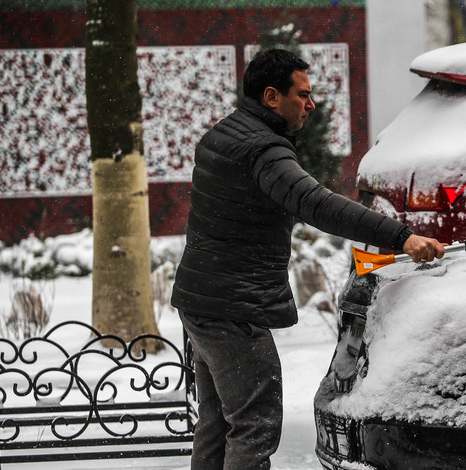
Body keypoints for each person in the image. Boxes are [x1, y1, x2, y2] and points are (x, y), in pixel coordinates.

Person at [171, 48, 444, 470]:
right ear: (271, 97)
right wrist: (402, 238)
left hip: (200, 300)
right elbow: (318, 204)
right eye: (303, 94)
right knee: (254, 423)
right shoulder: (265, 152)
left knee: (218, 422)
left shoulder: (224, 134)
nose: (311, 105)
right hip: (233, 309)